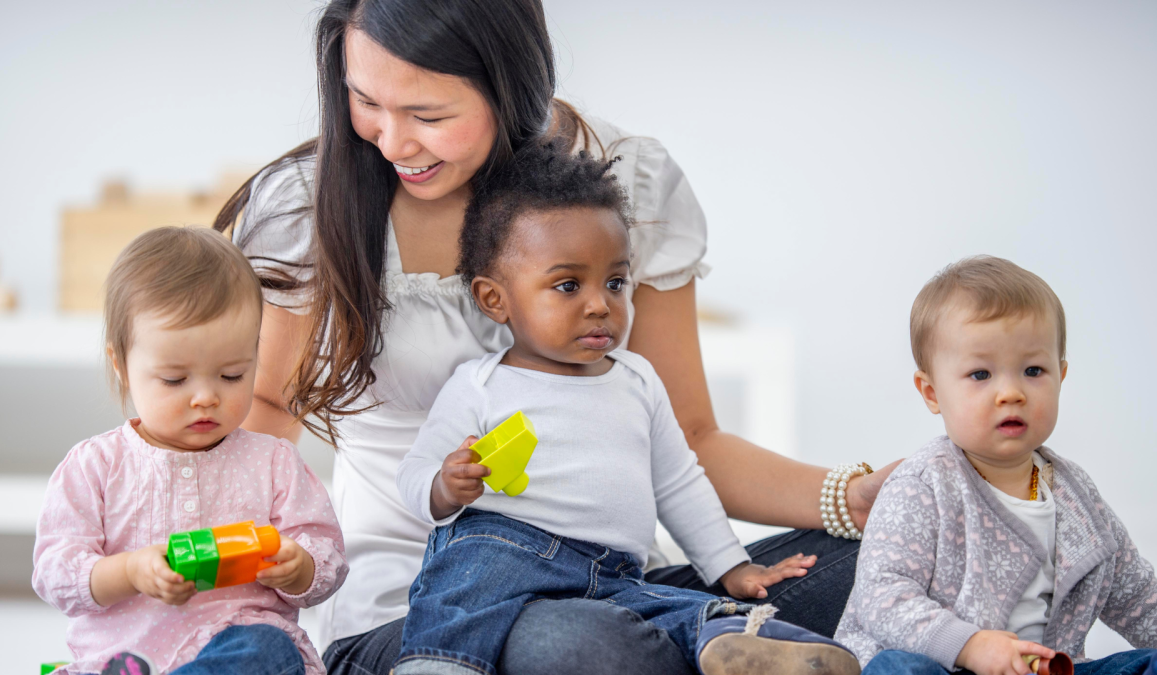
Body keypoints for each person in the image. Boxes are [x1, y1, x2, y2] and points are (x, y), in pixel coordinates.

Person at [215, 1, 898, 672]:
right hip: (423, 608)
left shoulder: (619, 180)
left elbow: (687, 442)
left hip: (616, 585)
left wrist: (850, 496)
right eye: (365, 101)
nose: (392, 142)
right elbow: (266, 415)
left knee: (892, 554)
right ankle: (700, 641)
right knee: (563, 639)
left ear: (510, 84)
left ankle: (700, 633)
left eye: (428, 115)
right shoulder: (309, 204)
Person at [393, 143, 862, 675]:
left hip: (613, 574)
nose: (600, 304)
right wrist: (443, 486)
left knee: (667, 608)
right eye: (568, 285)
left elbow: (680, 484)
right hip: (504, 554)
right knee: (460, 591)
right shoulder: (479, 385)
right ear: (495, 299)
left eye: (616, 282)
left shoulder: (637, 380)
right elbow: (412, 477)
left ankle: (735, 636)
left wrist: (731, 566)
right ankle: (437, 665)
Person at [32, 227, 348, 675]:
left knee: (271, 650)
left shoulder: (273, 463)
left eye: (233, 375)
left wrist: (300, 567)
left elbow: (328, 558)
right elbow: (54, 574)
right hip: (123, 660)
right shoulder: (94, 467)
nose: (205, 397)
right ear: (122, 365)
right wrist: (129, 572)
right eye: (176, 380)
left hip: (237, 643)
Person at [834, 256, 1157, 675]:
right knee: (897, 667)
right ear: (932, 393)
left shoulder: (1077, 495)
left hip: (1052, 668)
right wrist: (968, 646)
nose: (1011, 392)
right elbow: (882, 596)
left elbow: (1137, 595)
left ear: (1061, 376)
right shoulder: (924, 484)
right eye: (981, 374)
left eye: (1033, 370)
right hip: (948, 666)